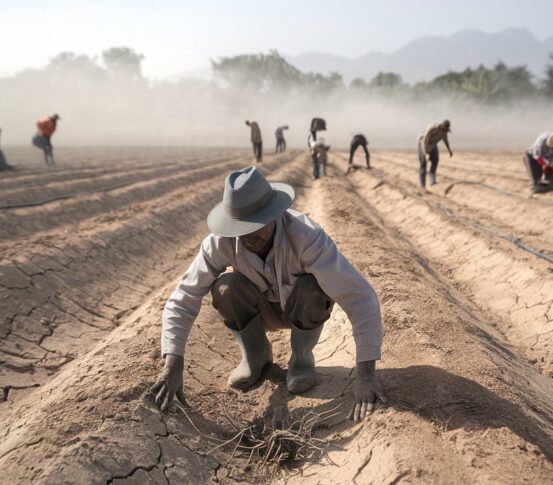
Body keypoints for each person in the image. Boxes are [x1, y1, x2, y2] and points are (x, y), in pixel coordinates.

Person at [150, 166, 386, 421]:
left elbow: (359, 297)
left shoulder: (306, 236)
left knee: (314, 286)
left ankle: (301, 361)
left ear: (275, 214)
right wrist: (173, 363)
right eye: (242, 228)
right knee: (225, 288)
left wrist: (366, 376)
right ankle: (256, 357)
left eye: (259, 224)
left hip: (302, 307)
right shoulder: (219, 243)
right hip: (260, 309)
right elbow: (183, 299)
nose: (251, 235)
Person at [417, 119, 453, 188]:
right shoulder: (432, 128)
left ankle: (432, 180)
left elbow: (445, 140)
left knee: (435, 159)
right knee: (423, 163)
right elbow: (425, 140)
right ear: (441, 127)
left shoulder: (444, 131)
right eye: (444, 129)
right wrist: (426, 153)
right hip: (423, 143)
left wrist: (449, 150)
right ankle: (422, 185)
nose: (445, 131)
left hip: (433, 144)